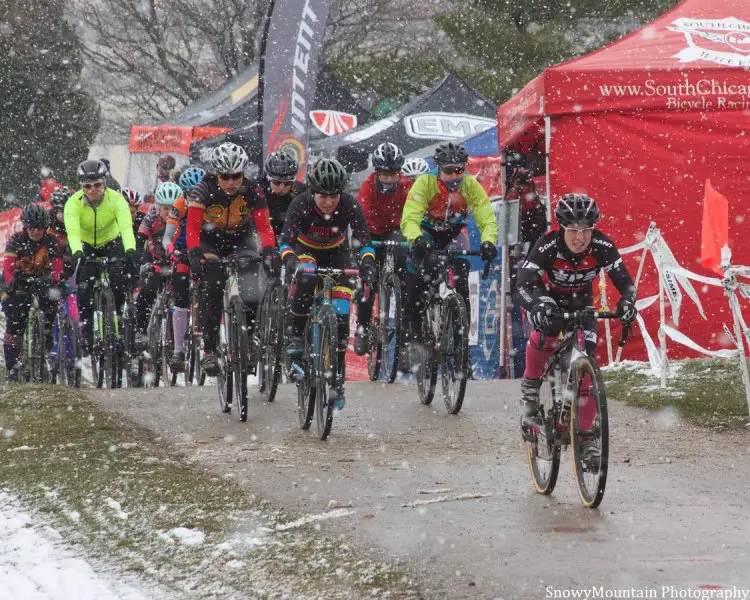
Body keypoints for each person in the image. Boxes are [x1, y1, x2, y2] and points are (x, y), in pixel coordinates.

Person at [515, 193, 637, 463]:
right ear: (562, 228)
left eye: (586, 230)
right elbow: (522, 285)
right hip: (547, 297)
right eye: (573, 231)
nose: (580, 237)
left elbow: (625, 283)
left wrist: (628, 302)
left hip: (582, 303)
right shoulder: (548, 246)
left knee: (586, 363)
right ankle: (530, 392)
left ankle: (586, 439)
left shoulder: (602, 245)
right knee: (545, 333)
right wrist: (536, 305)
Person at [280, 157, 376, 410]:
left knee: (342, 319)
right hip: (306, 251)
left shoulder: (348, 205)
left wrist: (367, 262)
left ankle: (337, 377)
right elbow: (286, 240)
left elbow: (364, 238)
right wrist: (290, 260)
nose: (329, 201)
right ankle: (297, 337)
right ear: (313, 191)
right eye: (323, 195)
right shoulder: (300, 204)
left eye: (334, 195)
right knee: (308, 274)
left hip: (337, 253)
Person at [186, 142, 277, 376]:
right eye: (225, 176)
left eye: (235, 176)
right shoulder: (203, 190)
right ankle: (209, 350)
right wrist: (195, 254)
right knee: (213, 285)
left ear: (243, 172)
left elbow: (265, 228)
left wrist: (268, 250)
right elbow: (193, 229)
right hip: (210, 239)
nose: (230, 182)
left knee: (251, 281)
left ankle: (250, 339)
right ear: (217, 173)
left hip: (240, 238)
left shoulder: (253, 190)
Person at [400, 142, 498, 343]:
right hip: (427, 232)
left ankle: (462, 346)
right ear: (438, 168)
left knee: (462, 280)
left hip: (454, 233)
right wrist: (416, 238)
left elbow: (487, 219)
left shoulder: (470, 185)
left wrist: (488, 242)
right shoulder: (425, 183)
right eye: (448, 171)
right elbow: (409, 218)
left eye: (459, 171)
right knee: (422, 276)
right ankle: (416, 332)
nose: (454, 176)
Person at [64, 159, 137, 355]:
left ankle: (119, 321)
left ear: (104, 183)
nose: (93, 190)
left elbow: (126, 227)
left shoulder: (116, 200)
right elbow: (73, 232)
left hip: (111, 242)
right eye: (87, 186)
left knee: (118, 282)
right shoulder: (73, 204)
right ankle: (87, 332)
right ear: (82, 187)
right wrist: (77, 251)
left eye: (97, 185)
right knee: (84, 288)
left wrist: (130, 249)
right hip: (86, 245)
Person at [353, 142, 411, 356]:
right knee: (367, 280)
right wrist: (365, 248)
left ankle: (404, 338)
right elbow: (360, 220)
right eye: (384, 174)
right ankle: (363, 328)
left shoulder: (406, 186)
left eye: (393, 174)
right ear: (376, 173)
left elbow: (414, 212)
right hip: (371, 231)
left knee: (404, 267)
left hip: (394, 230)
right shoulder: (367, 187)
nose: (388, 178)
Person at [2, 204, 65, 381]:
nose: (35, 232)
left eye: (39, 228)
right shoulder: (16, 240)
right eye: (31, 228)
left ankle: (46, 342)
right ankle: (12, 366)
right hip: (18, 280)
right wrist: (11, 283)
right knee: (15, 317)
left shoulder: (52, 241)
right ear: (25, 226)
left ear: (45, 228)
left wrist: (57, 283)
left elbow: (58, 268)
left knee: (51, 303)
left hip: (42, 280)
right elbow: (8, 267)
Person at [159, 166, 206, 372]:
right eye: (189, 194)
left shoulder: (212, 202)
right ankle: (178, 350)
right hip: (183, 251)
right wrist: (171, 250)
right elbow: (167, 236)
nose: (194, 197)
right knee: (180, 291)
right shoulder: (179, 204)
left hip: (205, 250)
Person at [133, 181, 180, 349]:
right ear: (158, 207)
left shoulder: (181, 218)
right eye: (165, 208)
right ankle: (140, 330)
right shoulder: (151, 216)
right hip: (154, 260)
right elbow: (140, 240)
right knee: (148, 290)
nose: (169, 213)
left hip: (175, 261)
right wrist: (141, 260)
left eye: (173, 208)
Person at [262, 151, 307, 239]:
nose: (282, 188)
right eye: (276, 182)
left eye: (287, 183)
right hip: (265, 235)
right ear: (268, 178)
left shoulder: (302, 191)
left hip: (291, 235)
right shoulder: (259, 190)